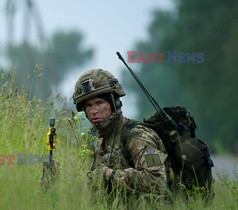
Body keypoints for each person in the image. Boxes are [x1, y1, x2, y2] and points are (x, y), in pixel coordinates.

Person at [72, 69, 170, 201]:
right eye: (88, 105)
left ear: (114, 103)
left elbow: (157, 181)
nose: (94, 111)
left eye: (100, 103)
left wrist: (109, 175)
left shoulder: (138, 136)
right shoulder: (100, 139)